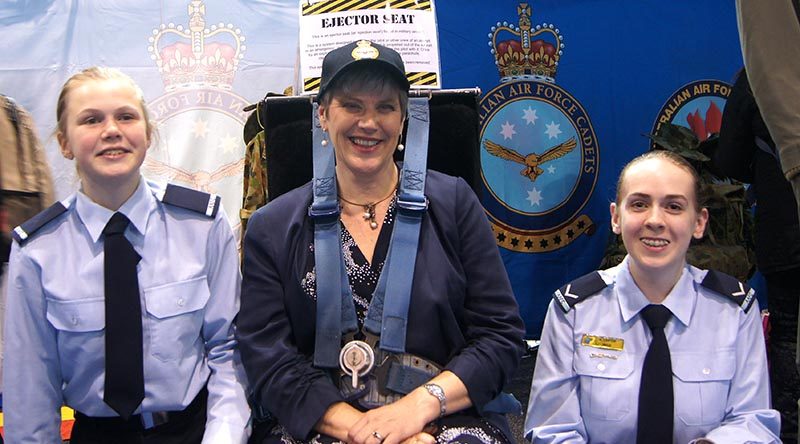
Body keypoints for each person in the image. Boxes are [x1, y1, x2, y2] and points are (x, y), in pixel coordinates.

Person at [237, 40, 525, 444]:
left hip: (439, 414)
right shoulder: (273, 226)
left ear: (404, 119)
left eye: (385, 107)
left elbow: (500, 337)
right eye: (352, 106)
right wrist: (365, 432)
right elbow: (267, 355)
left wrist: (416, 411)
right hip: (323, 421)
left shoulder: (455, 203)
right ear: (322, 115)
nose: (368, 122)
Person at [2, 67, 251, 443]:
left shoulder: (201, 226)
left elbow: (228, 349)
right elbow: (31, 388)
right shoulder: (37, 251)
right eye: (90, 120)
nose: (111, 130)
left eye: (126, 116)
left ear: (148, 135)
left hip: (194, 431)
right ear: (64, 143)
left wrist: (223, 437)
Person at [524, 150, 781, 443]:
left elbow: (753, 422)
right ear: (616, 218)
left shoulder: (734, 310)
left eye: (673, 206)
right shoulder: (573, 310)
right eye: (639, 204)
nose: (655, 220)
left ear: (699, 222)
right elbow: (552, 429)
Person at [711, 69, 800, 443]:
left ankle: (791, 430)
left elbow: (728, 158)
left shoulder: (761, 72)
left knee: (787, 331)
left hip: (786, 223)